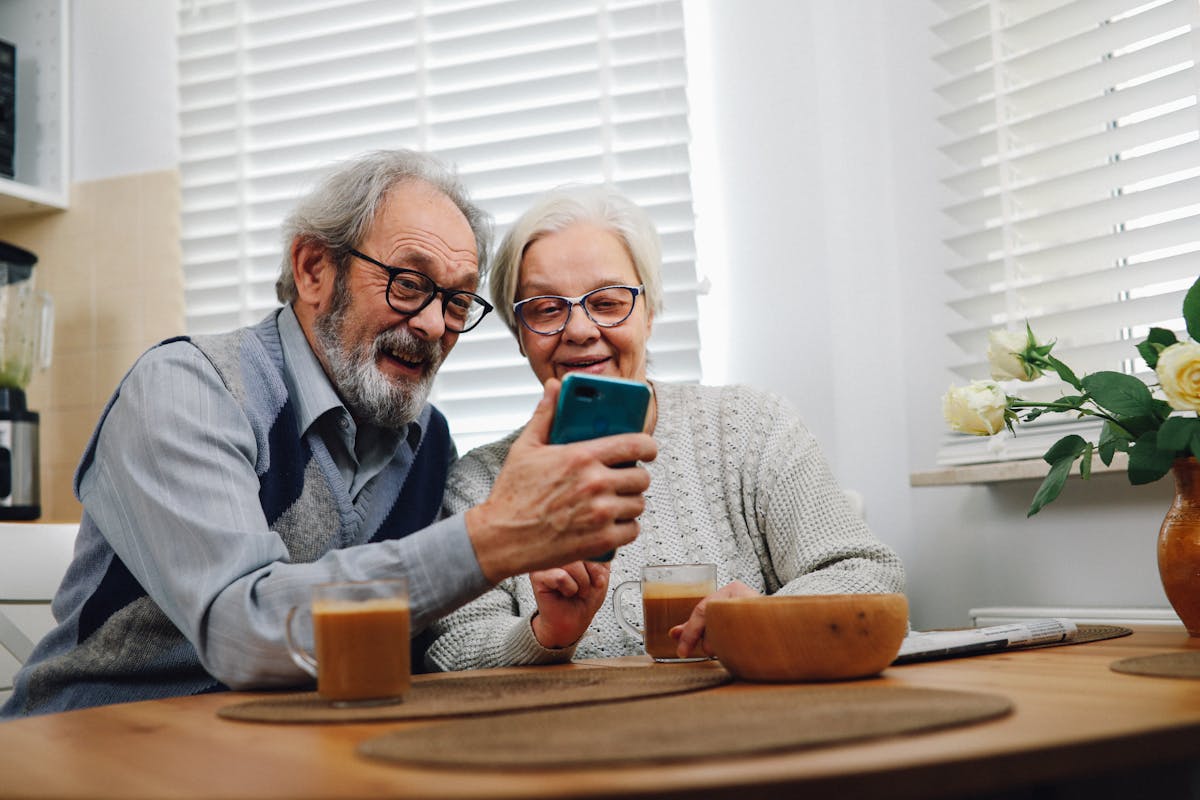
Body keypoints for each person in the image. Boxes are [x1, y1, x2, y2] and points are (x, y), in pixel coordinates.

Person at [1, 151, 656, 718]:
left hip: (281, 755)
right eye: (408, 283)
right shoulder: (187, 389)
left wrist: (544, 629)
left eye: (457, 301)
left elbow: (410, 649)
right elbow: (246, 631)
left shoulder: (429, 446)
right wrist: (495, 537)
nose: (433, 324)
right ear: (314, 269)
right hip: (93, 746)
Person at [425, 185, 905, 670]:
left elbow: (865, 571)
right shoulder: (479, 483)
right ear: (520, 335)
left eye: (609, 302)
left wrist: (763, 616)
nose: (579, 330)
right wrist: (545, 634)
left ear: (650, 313)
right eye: (546, 309)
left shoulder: (752, 426)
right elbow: (449, 653)